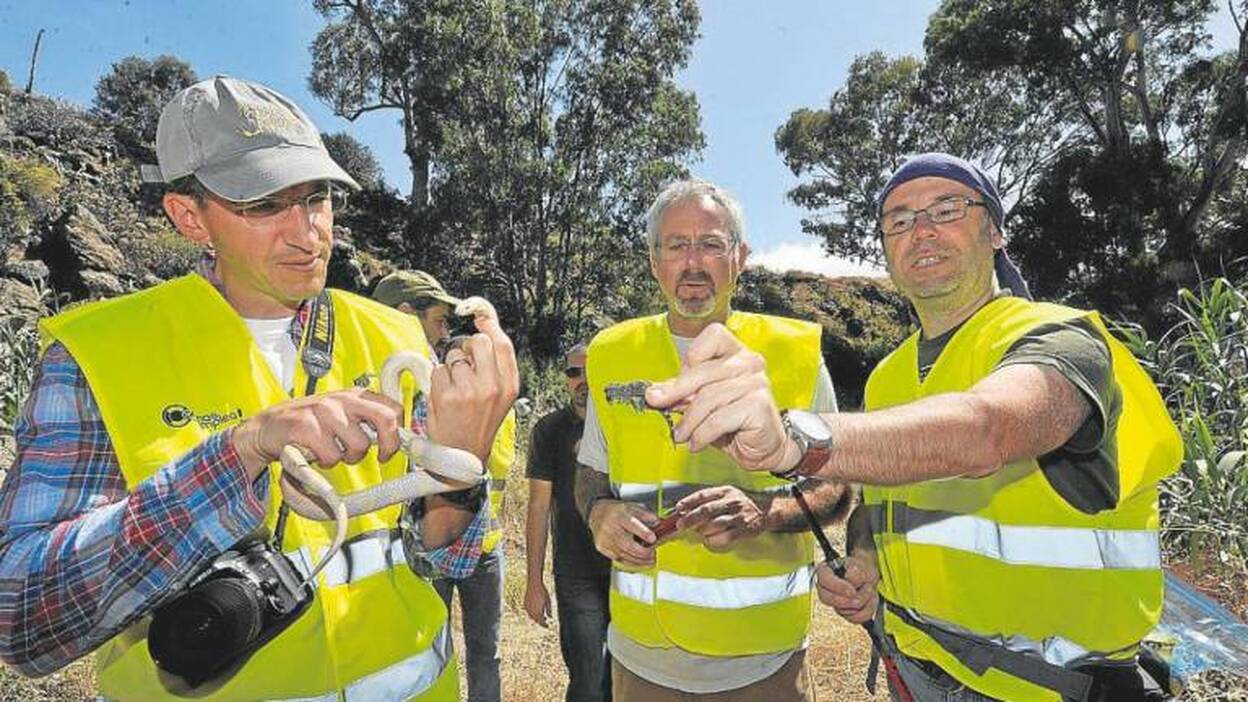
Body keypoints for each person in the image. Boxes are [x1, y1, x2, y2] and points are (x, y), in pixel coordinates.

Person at [0, 76, 518, 701]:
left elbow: (443, 562)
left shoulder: (393, 334)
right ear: (189, 216)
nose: (309, 232)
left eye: (318, 197)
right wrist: (239, 453)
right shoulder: (95, 358)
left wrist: (457, 475)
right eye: (264, 203)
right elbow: (22, 621)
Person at [645, 153, 1183, 701]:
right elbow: (878, 510)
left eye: (947, 209)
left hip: (1051, 688)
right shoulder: (887, 378)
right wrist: (864, 560)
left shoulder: (1063, 338)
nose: (921, 230)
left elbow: (986, 432)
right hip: (917, 669)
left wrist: (794, 443)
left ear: (994, 231)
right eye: (899, 220)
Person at [573, 178, 852, 701]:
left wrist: (763, 512)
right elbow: (590, 473)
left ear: (740, 257)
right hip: (641, 662)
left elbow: (837, 491)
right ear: (654, 261)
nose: (693, 262)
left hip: (763, 664)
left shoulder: (794, 353)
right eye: (676, 245)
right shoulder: (610, 353)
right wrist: (598, 513)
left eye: (712, 244)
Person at [374, 269, 517, 702]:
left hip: (483, 550)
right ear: (404, 316)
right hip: (413, 556)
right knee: (431, 652)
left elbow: (497, 467)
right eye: (439, 321)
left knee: (483, 654)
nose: (443, 334)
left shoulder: (456, 391)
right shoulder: (384, 392)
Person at [523, 342, 613, 702]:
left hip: (632, 572)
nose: (583, 380)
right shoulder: (549, 430)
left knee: (624, 679)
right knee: (588, 683)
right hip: (577, 575)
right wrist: (533, 582)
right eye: (574, 372)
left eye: (591, 370)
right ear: (565, 380)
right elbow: (538, 507)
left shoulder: (625, 427)